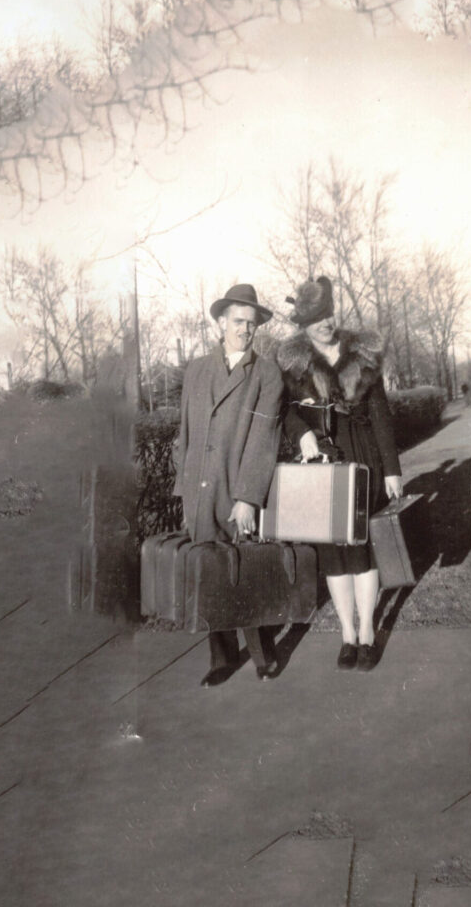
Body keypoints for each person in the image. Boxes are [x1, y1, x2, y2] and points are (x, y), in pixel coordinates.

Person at [277, 276, 403, 672]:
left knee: (362, 550)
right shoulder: (292, 363)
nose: (326, 324)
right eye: (316, 318)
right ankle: (346, 634)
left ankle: (367, 632)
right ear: (303, 324)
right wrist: (302, 436)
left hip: (364, 457)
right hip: (322, 466)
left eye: (329, 314)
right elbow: (285, 412)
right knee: (334, 554)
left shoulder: (362, 354)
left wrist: (392, 470)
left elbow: (380, 413)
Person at [173, 283, 283, 686]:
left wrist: (248, 498)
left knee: (244, 570)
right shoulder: (197, 370)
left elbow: (262, 439)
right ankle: (222, 658)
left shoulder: (266, 374)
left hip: (237, 491)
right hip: (200, 490)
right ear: (221, 322)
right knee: (210, 574)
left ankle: (262, 654)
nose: (245, 330)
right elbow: (185, 431)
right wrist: (183, 489)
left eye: (252, 324)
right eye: (238, 321)